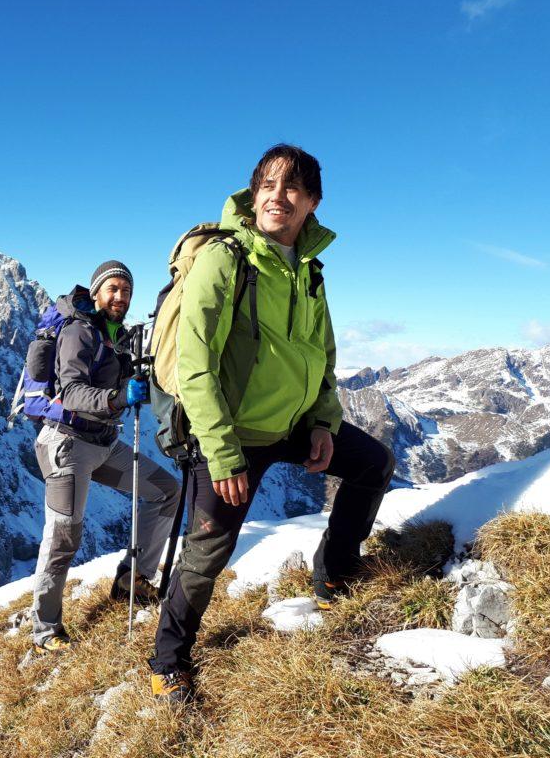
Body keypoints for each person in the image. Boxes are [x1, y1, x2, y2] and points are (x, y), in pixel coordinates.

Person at [149, 145, 396, 702]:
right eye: (267, 184)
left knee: (374, 464)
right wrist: (222, 450)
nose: (276, 196)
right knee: (209, 548)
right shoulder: (225, 258)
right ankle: (169, 659)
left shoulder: (309, 271)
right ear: (253, 193)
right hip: (233, 434)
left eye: (291, 187)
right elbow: (195, 364)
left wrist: (322, 423)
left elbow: (323, 356)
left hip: (292, 425)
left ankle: (334, 573)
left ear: (312, 202)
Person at [31, 260, 181, 653]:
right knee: (64, 536)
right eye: (112, 289)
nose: (120, 297)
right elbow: (73, 392)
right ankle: (45, 630)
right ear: (97, 292)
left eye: (126, 290)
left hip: (102, 444)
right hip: (68, 444)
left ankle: (133, 579)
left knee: (166, 491)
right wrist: (117, 397)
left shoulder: (114, 336)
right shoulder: (80, 332)